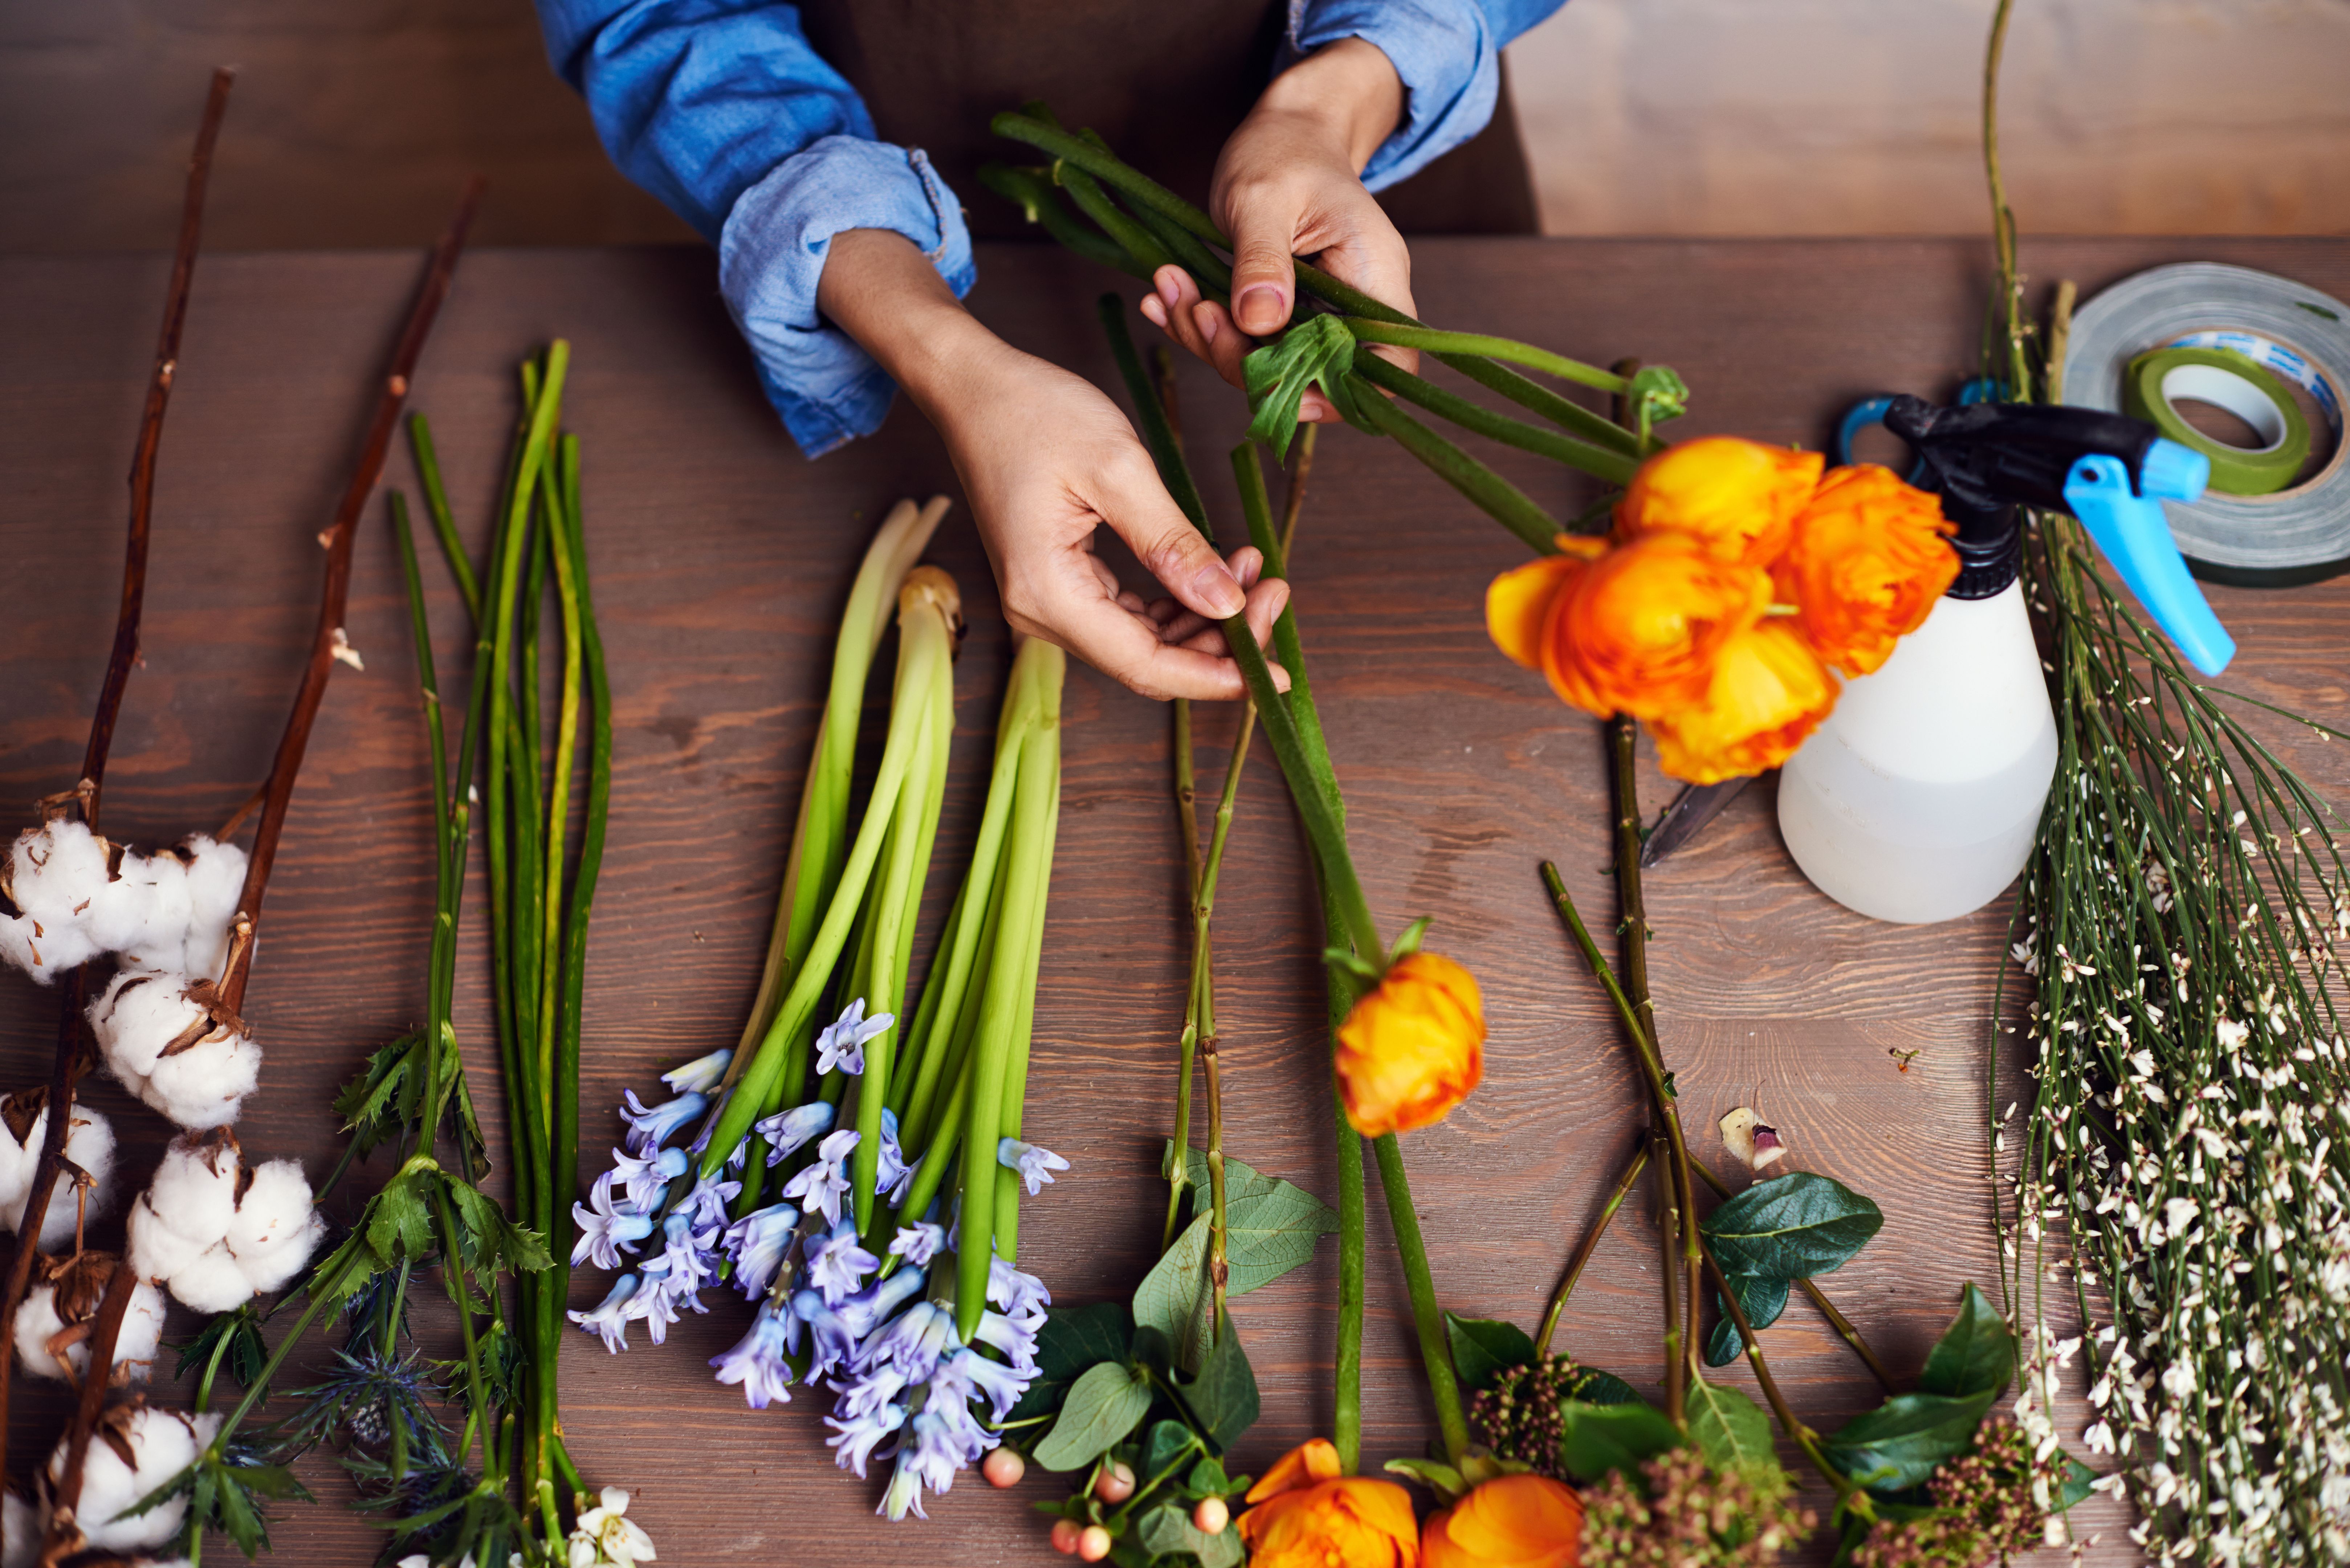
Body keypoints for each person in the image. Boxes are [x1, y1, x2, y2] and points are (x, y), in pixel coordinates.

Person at [533, 0, 1564, 699]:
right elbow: (660, 16)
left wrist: (1329, 105)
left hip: (1355, 177)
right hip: (872, 184)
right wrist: (938, 351)